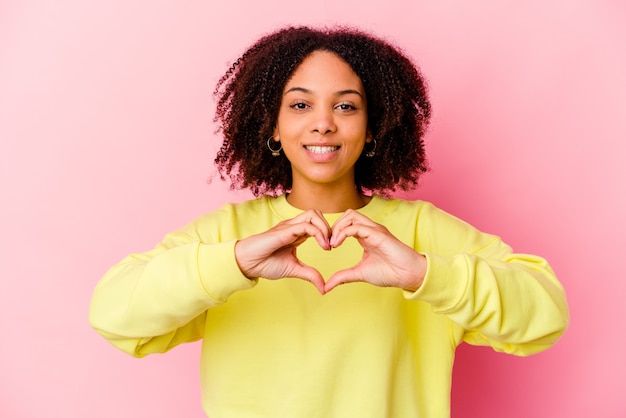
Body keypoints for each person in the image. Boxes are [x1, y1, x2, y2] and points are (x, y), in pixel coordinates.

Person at [89, 26, 569, 417]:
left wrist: (425, 274)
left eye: (346, 105)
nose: (323, 123)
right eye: (300, 105)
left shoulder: (424, 232)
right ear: (271, 126)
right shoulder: (225, 236)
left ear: (373, 126)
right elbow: (114, 315)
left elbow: (546, 316)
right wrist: (233, 263)